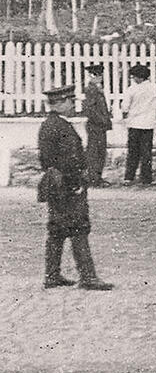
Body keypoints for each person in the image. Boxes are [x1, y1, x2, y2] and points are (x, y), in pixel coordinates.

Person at [38, 83, 113, 291]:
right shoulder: (60, 127)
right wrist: (76, 183)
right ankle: (88, 277)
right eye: (70, 101)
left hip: (57, 186)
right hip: (68, 186)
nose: (73, 105)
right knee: (79, 228)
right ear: (60, 103)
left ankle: (52, 275)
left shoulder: (50, 124)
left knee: (57, 230)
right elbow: (66, 160)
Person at [121, 62, 156, 185]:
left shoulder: (132, 89)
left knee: (133, 152)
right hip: (148, 124)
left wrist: (125, 113)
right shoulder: (155, 88)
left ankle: (129, 177)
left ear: (139, 77)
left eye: (134, 76)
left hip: (134, 124)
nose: (133, 79)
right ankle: (146, 178)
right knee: (146, 152)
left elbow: (125, 107)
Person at [81, 64, 112, 185]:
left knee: (100, 152)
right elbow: (90, 109)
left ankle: (96, 177)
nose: (99, 77)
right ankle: (93, 178)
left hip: (99, 125)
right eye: (96, 75)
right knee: (95, 152)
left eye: (100, 75)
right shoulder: (91, 89)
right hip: (95, 125)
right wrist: (102, 120)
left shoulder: (96, 88)